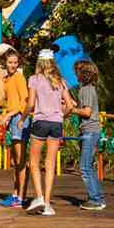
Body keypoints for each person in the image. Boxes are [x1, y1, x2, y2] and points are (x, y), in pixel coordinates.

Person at [26, 49, 73, 216]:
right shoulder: (60, 81)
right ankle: (47, 203)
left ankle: (38, 196)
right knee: (50, 163)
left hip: (40, 121)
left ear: (39, 63)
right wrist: (61, 115)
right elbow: (70, 105)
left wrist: (22, 117)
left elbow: (31, 104)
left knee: (34, 162)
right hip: (56, 123)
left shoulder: (34, 79)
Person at [0, 49, 30, 208]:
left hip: (19, 119)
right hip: (12, 118)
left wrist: (8, 115)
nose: (12, 65)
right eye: (10, 62)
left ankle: (21, 196)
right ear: (5, 62)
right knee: (14, 160)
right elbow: (8, 100)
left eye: (15, 62)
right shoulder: (7, 79)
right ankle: (15, 193)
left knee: (20, 160)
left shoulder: (19, 77)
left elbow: (24, 102)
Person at [72, 60, 105, 211]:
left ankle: (95, 199)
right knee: (89, 166)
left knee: (84, 167)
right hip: (92, 130)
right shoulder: (89, 89)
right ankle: (98, 197)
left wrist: (71, 110)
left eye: (76, 72)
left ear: (82, 74)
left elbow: (86, 112)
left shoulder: (85, 90)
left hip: (89, 130)